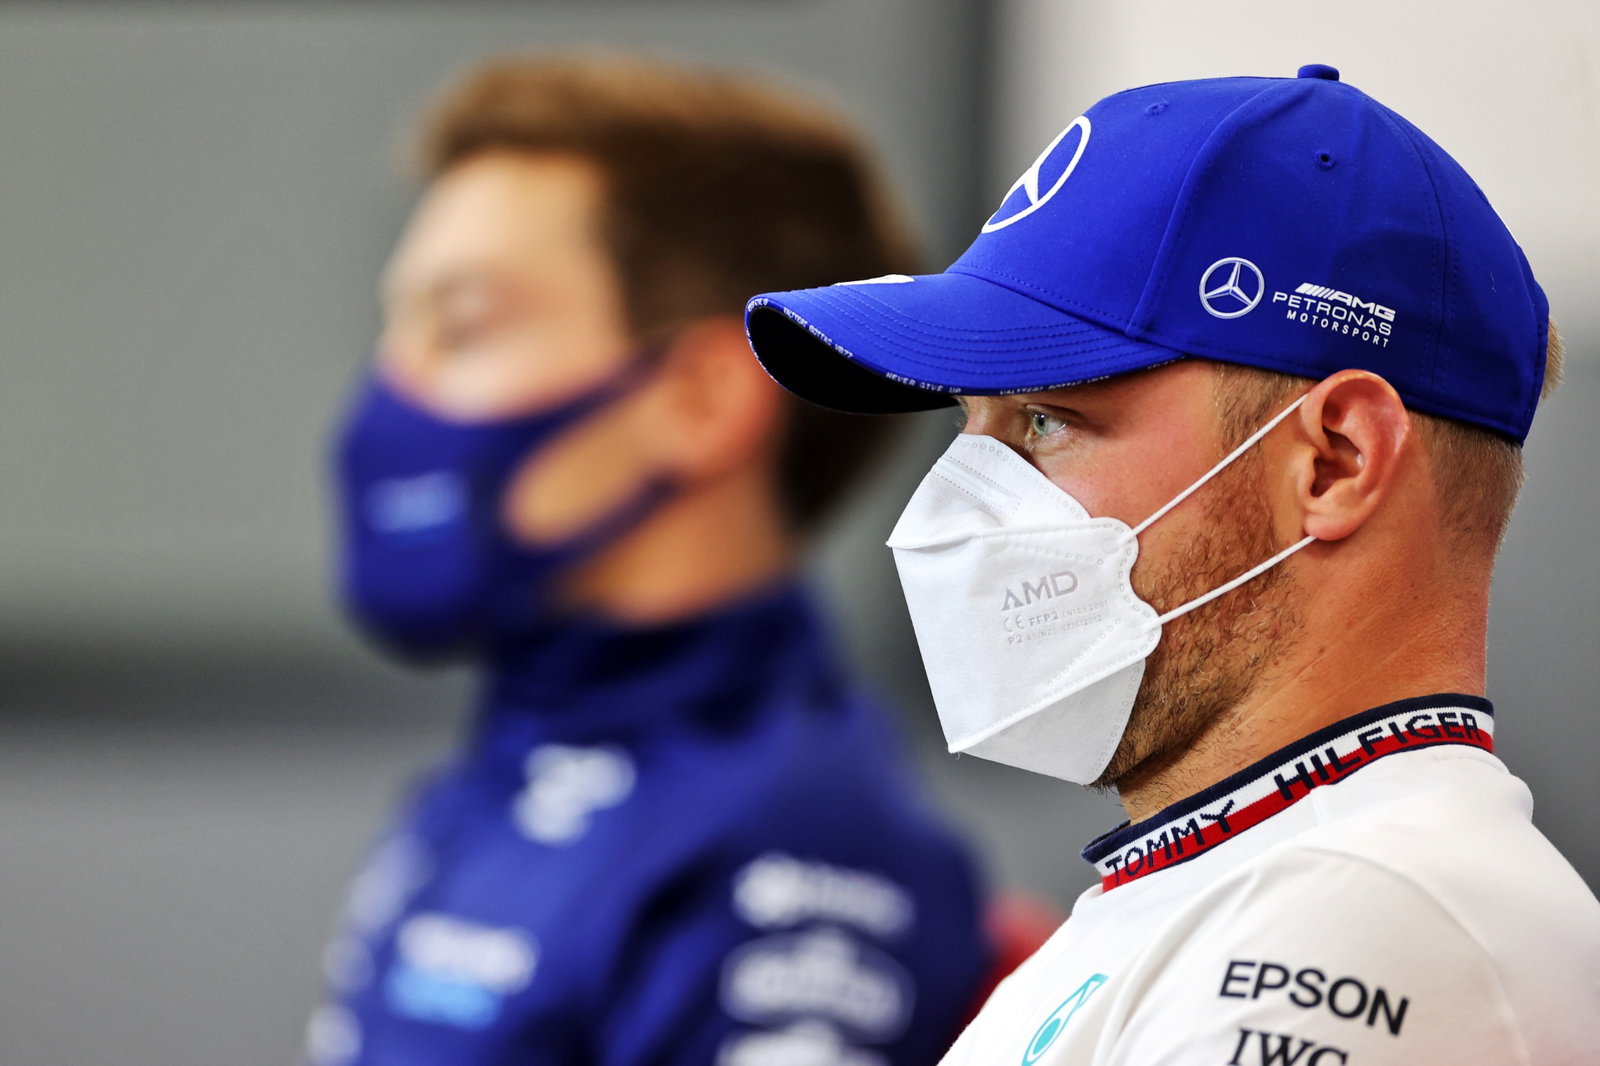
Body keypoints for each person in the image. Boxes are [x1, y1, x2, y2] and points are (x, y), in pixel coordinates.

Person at [742, 64, 1600, 1065]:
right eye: (967, 426)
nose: (955, 505)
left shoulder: (1367, 921)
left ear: (1334, 461)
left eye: (1045, 420)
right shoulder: (1217, 893)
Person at [303, 53, 990, 1066]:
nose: (390, 396)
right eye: (391, 333)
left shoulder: (790, 853)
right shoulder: (496, 776)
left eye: (461, 326)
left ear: (702, 397)